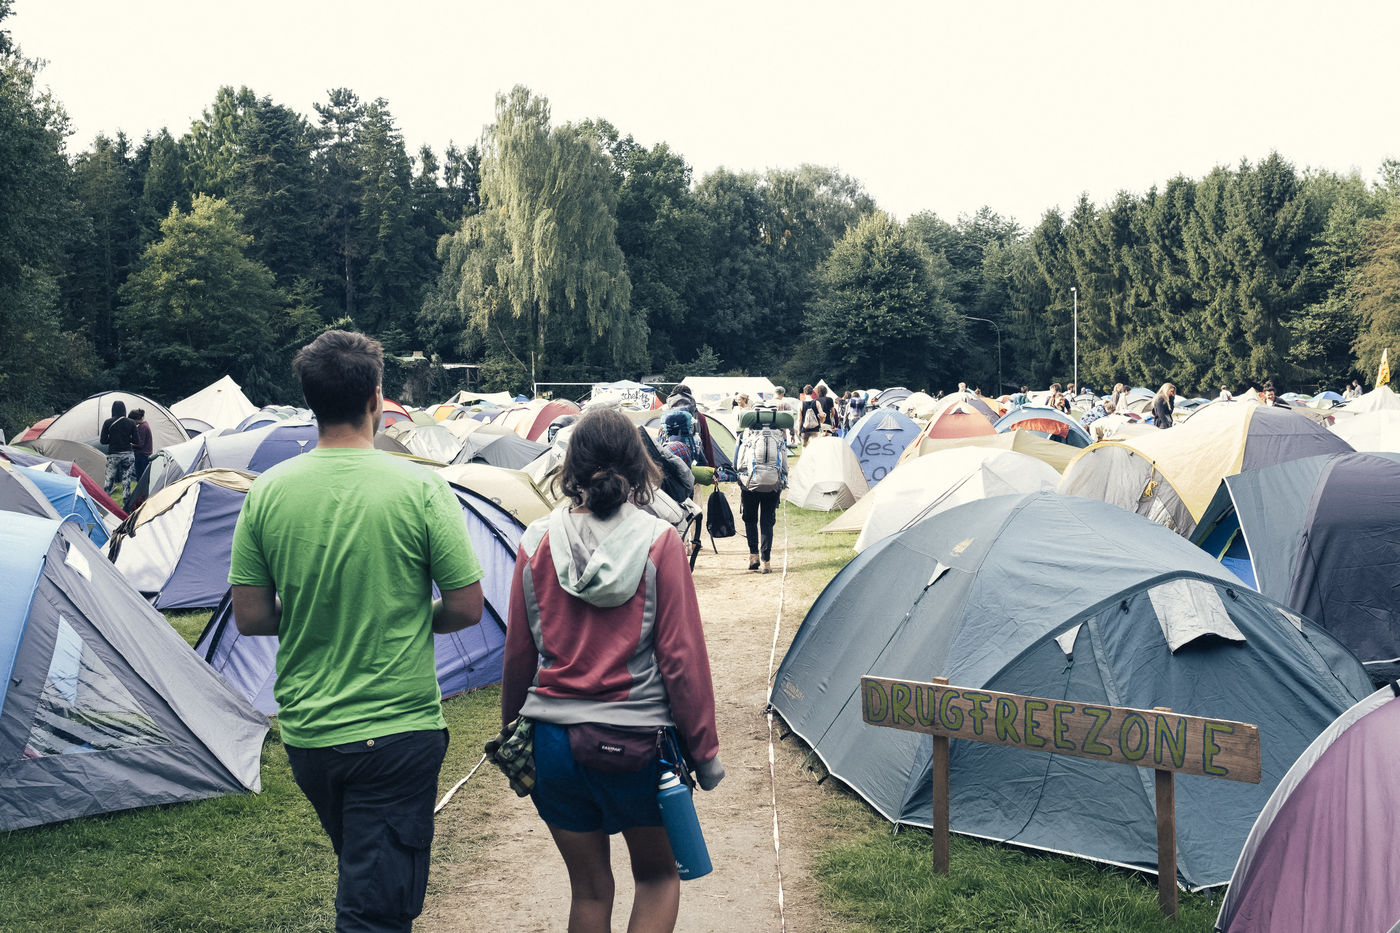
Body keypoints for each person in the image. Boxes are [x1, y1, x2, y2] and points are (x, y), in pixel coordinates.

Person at [230, 330, 485, 933]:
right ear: (376, 399)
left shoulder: (266, 493)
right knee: (374, 912)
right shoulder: (421, 486)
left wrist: (319, 611)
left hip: (311, 736)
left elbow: (252, 616)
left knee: (367, 878)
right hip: (396, 732)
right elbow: (468, 607)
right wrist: (405, 616)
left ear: (310, 401)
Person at [502, 408, 724, 933]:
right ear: (639, 464)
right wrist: (704, 753)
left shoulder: (535, 541)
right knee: (658, 878)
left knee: (589, 891)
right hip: (636, 746)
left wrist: (511, 729)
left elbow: (518, 654)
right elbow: (682, 660)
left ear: (570, 467)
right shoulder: (659, 542)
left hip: (553, 744)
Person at [100, 400, 138, 498]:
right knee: (126, 480)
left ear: (113, 410)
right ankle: (126, 502)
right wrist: (126, 438)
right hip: (128, 454)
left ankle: (106, 502)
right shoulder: (131, 422)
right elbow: (136, 440)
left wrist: (113, 439)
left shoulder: (108, 422)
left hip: (113, 454)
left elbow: (103, 441)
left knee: (109, 480)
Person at [128, 409, 154, 499]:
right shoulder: (144, 425)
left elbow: (140, 444)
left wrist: (129, 444)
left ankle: (142, 496)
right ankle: (143, 495)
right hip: (143, 456)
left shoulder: (143, 427)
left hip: (142, 456)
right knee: (142, 478)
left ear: (136, 419)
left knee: (141, 479)